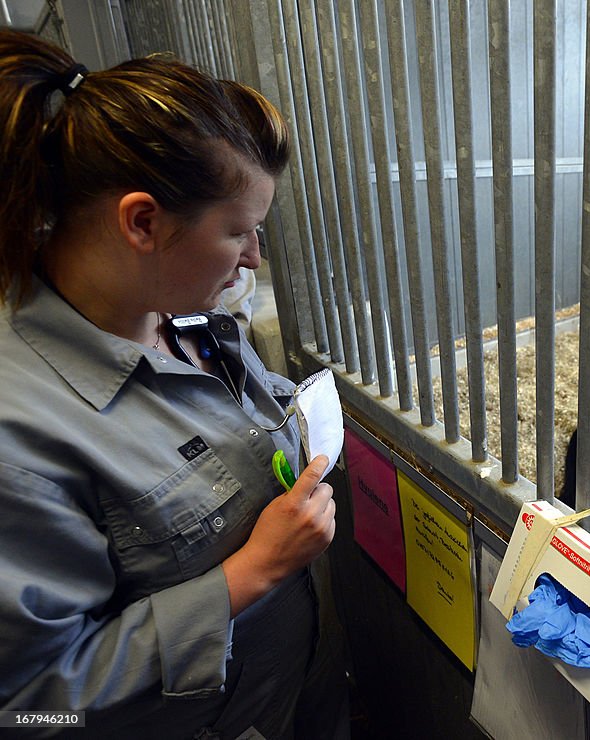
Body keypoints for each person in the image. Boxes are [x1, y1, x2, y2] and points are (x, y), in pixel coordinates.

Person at [0, 29, 339, 739]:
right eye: (238, 231)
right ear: (143, 222)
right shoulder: (19, 440)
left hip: (293, 688)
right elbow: (27, 709)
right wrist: (250, 574)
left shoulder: (177, 308)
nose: (253, 256)